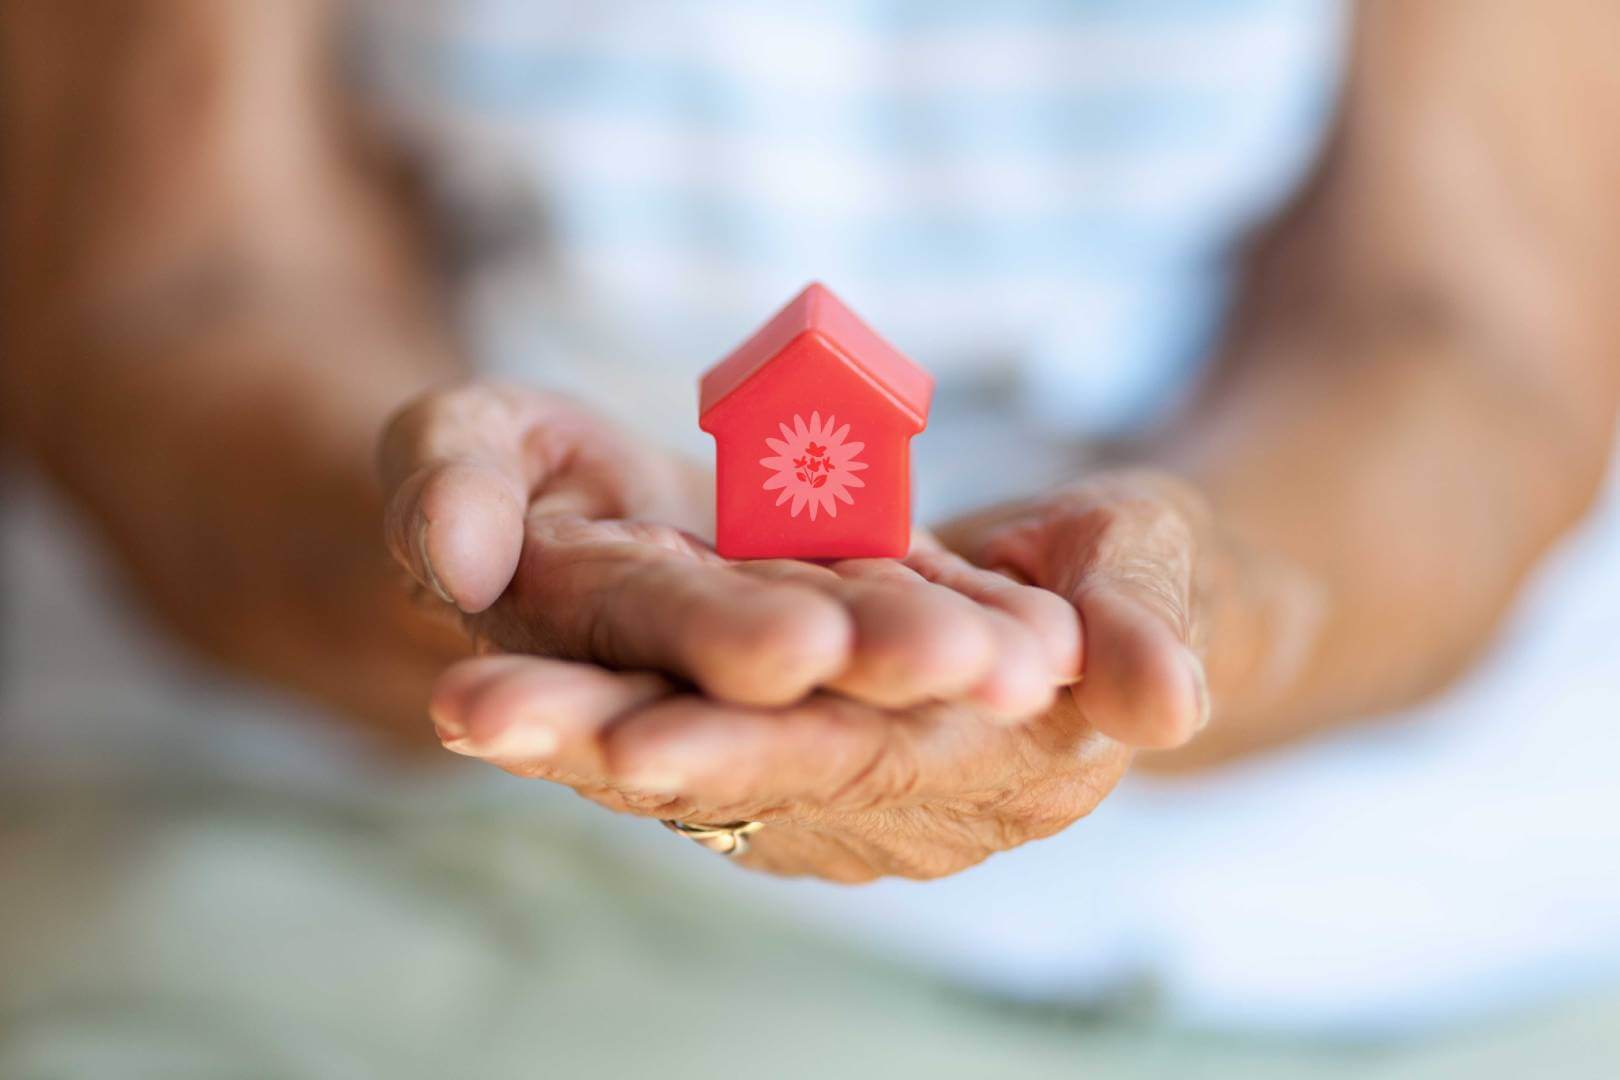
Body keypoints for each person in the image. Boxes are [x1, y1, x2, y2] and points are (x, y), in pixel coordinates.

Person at [4, 0, 1619, 1034]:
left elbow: (1469, 340)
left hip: (1329, 909)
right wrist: (467, 563)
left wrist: (1200, 616)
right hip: (324, 823)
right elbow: (175, 288)